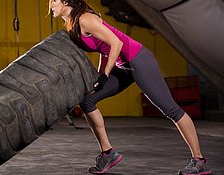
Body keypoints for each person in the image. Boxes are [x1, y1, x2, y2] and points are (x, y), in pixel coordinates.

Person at [48, 0, 211, 174]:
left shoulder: (85, 19)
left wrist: (106, 74)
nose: (50, 5)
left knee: (171, 110)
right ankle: (108, 153)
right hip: (123, 66)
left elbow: (116, 43)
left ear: (65, 1)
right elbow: (104, 49)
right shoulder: (72, 24)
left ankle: (199, 160)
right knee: (87, 100)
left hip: (139, 60)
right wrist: (101, 75)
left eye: (53, 0)